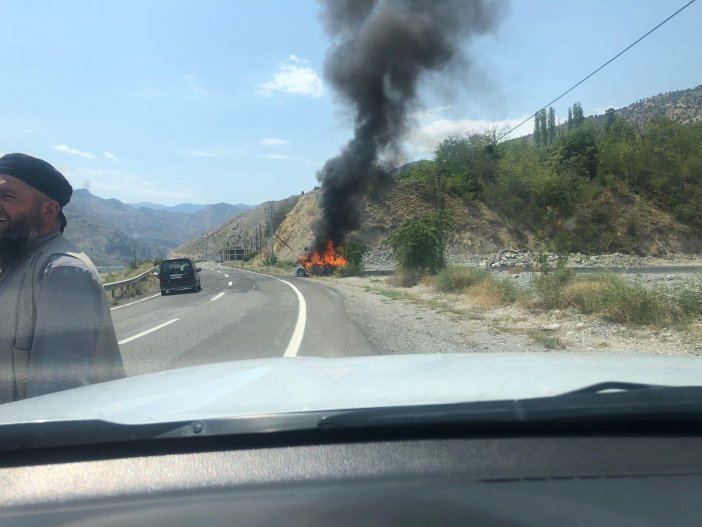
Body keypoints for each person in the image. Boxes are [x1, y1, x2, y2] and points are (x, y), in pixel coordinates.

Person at [0, 153, 125, 403]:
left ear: (49, 210)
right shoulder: (16, 265)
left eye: (7, 196)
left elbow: (55, 400)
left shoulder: (63, 272)